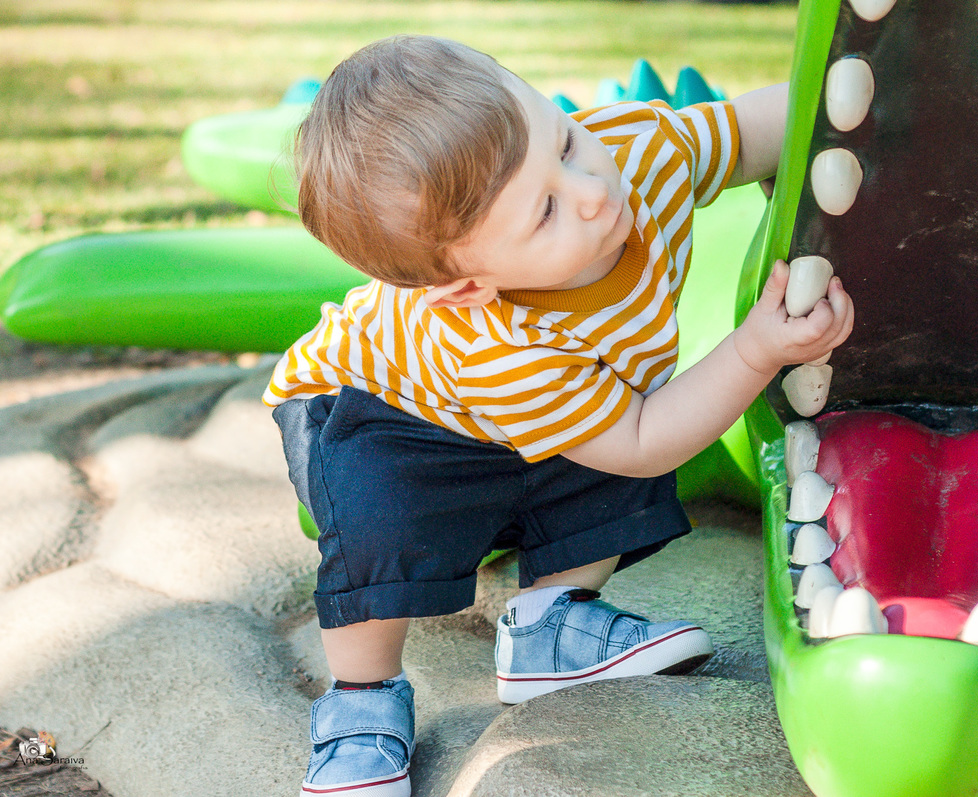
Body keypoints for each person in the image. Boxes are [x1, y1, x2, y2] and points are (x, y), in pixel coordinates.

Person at [263, 35, 853, 797]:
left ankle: (550, 623)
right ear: (468, 287)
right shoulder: (502, 344)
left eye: (565, 141)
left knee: (588, 465)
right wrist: (756, 350)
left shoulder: (637, 151)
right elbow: (642, 442)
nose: (591, 190)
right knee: (388, 524)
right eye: (544, 211)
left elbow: (765, 124)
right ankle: (362, 699)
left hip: (553, 405)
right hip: (379, 410)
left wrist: (849, 135)